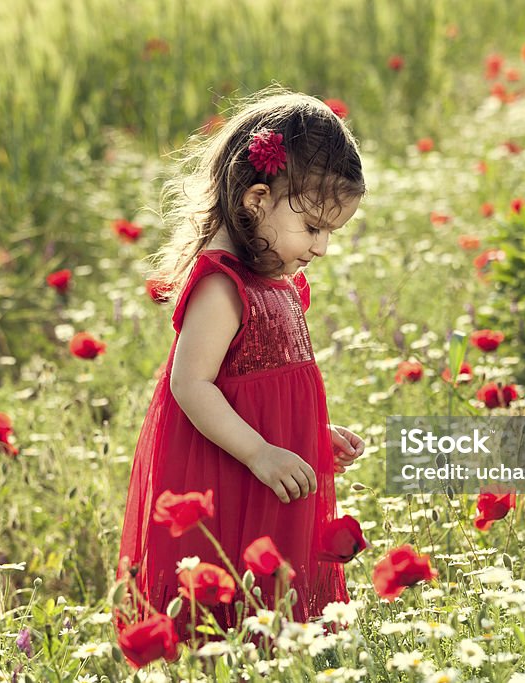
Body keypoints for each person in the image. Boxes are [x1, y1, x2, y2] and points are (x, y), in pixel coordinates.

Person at [116, 88, 367, 641]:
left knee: (273, 607)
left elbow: (262, 390)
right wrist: (259, 451)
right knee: (232, 600)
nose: (322, 248)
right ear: (256, 199)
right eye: (314, 228)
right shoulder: (222, 286)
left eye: (331, 233)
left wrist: (310, 437)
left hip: (265, 466)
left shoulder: (276, 282)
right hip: (230, 470)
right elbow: (192, 383)